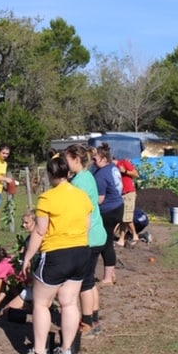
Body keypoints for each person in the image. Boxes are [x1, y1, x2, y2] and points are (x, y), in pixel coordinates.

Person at [15, 152, 92, 354]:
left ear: (50, 174)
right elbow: (87, 225)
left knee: (41, 303)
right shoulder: (82, 196)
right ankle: (66, 350)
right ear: (68, 172)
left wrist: (27, 258)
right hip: (81, 253)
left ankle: (40, 353)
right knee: (69, 303)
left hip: (57, 254)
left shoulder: (47, 198)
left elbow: (39, 231)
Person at [65, 143, 107, 338]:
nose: (66, 163)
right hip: (98, 235)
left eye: (67, 159)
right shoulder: (87, 176)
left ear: (76, 159)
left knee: (84, 283)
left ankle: (88, 322)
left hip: (89, 238)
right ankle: (95, 318)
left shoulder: (80, 182)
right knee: (90, 281)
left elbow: (79, 213)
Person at [92, 143, 124, 285]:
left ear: (104, 159)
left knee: (106, 243)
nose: (93, 162)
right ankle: (111, 274)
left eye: (95, 159)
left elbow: (100, 199)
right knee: (108, 241)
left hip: (108, 210)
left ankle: (107, 278)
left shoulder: (101, 175)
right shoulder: (112, 168)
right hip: (118, 205)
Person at [114, 156, 140, 247]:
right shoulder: (112, 168)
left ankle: (135, 235)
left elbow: (136, 174)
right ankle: (121, 239)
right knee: (122, 217)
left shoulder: (124, 163)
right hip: (121, 194)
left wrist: (124, 171)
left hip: (129, 193)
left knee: (127, 218)